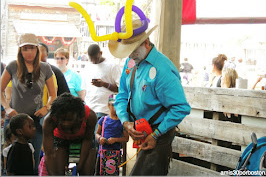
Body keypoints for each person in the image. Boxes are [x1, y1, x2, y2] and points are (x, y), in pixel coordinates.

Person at [108, 19, 191, 175]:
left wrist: (156, 135)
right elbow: (122, 95)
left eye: (133, 50)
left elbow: (181, 108)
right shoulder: (131, 63)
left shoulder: (162, 69)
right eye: (128, 51)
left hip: (159, 132)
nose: (131, 55)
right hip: (141, 129)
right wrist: (126, 122)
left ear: (145, 42)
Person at [1, 33, 57, 174]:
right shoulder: (13, 66)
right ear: (20, 51)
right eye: (25, 48)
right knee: (9, 162)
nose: (29, 52)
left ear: (37, 49)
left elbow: (53, 94)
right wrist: (7, 108)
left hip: (34, 122)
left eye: (32, 48)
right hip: (14, 120)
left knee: (33, 162)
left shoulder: (45, 68)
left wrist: (47, 107)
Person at [42, 93, 97, 175]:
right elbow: (49, 153)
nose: (65, 124)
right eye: (61, 120)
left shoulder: (90, 117)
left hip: (83, 141)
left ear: (79, 117)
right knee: (58, 172)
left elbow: (87, 140)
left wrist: (80, 165)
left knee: (86, 172)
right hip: (61, 141)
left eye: (69, 120)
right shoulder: (49, 121)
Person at [95, 94, 129, 175]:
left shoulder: (122, 122)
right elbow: (97, 133)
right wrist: (100, 138)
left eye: (117, 105)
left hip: (114, 154)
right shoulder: (103, 120)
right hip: (102, 153)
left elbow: (126, 138)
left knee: (112, 173)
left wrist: (115, 140)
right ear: (108, 105)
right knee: (99, 173)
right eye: (113, 105)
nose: (115, 108)